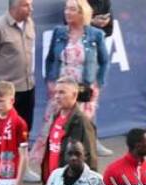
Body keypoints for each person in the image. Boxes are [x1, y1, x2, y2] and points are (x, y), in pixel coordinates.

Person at [37, 0, 108, 168]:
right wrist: (50, 81)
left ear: (82, 13)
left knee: (79, 127)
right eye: (66, 9)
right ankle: (50, 162)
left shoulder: (95, 35)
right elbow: (50, 59)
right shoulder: (59, 32)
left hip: (83, 88)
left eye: (72, 9)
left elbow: (104, 61)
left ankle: (81, 163)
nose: (67, 12)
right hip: (61, 86)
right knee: (53, 124)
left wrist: (98, 84)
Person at [0, 1, 38, 143]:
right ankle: (4, 161)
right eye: (26, 5)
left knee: (24, 128)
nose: (31, 8)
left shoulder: (29, 23)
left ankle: (22, 161)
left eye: (31, 4)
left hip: (28, 86)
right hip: (8, 90)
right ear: (14, 7)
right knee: (5, 130)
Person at [39, 78, 97, 182]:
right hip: (54, 180)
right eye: (56, 92)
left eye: (62, 92)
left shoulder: (81, 121)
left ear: (74, 95)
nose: (57, 96)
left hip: (70, 182)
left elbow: (90, 156)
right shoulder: (56, 117)